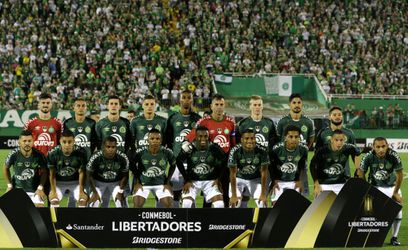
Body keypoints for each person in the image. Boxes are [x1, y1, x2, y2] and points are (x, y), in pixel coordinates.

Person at [186, 94, 236, 207]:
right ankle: (206, 221)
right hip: (208, 164)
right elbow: (189, 139)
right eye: (216, 104)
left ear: (224, 106)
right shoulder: (203, 122)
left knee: (225, 193)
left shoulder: (231, 123)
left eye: (221, 104)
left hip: (225, 164)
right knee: (208, 197)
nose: (219, 107)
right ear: (211, 106)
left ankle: (224, 222)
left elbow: (233, 145)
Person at [357, 137, 403, 246]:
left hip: (392, 187)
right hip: (375, 187)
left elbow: (400, 175)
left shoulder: (394, 155)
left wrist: (396, 192)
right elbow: (361, 172)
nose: (381, 149)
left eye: (383, 146)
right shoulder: (368, 156)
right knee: (368, 212)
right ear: (373, 147)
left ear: (387, 146)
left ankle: (394, 238)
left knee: (398, 211)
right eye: (378, 147)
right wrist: (366, 189)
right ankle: (369, 237)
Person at [166, 90, 201, 207]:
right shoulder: (172, 118)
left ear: (192, 100)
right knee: (175, 193)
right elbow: (168, 141)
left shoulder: (197, 119)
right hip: (177, 161)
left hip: (193, 162)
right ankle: (178, 217)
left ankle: (192, 218)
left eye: (189, 97)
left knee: (191, 192)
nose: (186, 100)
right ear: (180, 100)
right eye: (184, 97)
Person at [176, 126, 226, 208]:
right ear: (196, 136)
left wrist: (218, 178)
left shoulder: (214, 148)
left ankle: (215, 220)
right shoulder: (189, 148)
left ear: (208, 136)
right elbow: (178, 161)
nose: (203, 139)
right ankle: (190, 220)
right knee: (186, 203)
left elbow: (223, 161)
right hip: (193, 181)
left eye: (205, 136)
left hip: (210, 181)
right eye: (200, 136)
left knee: (219, 204)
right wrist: (187, 179)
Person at [277, 93, 314, 197]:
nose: (297, 105)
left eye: (299, 102)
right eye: (294, 103)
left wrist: (303, 150)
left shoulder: (308, 122)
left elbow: (310, 140)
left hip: (301, 163)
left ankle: (302, 212)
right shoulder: (282, 122)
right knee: (282, 195)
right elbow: (278, 140)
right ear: (290, 104)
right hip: (284, 163)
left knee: (302, 193)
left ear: (302, 104)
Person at [130, 129, 176, 208]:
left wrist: (167, 182)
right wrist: (137, 182)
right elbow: (132, 165)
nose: (155, 141)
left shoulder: (167, 152)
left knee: (169, 205)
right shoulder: (140, 152)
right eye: (152, 139)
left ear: (161, 140)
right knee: (137, 206)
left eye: (157, 139)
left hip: (161, 184)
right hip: (143, 184)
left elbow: (173, 165)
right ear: (147, 140)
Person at [3, 130, 47, 207]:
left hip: (35, 190)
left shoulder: (39, 155)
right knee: (13, 210)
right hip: (18, 190)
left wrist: (40, 188)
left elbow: (45, 171)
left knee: (40, 208)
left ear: (33, 141)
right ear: (19, 142)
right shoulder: (13, 154)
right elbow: (5, 168)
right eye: (24, 141)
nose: (27, 143)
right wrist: (9, 186)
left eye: (29, 141)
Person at [311, 130, 361, 197]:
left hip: (341, 184)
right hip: (324, 185)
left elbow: (356, 152)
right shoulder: (322, 151)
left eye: (341, 140)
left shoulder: (348, 148)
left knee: (343, 206)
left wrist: (357, 169)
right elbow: (312, 166)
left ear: (344, 140)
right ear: (331, 140)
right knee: (322, 207)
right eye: (336, 140)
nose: (339, 143)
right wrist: (316, 185)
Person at [228, 128, 269, 208]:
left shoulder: (262, 150)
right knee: (234, 204)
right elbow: (233, 174)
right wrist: (234, 195)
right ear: (242, 140)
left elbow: (264, 173)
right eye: (247, 138)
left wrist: (263, 194)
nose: (250, 141)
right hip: (238, 179)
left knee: (262, 205)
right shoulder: (234, 151)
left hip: (255, 179)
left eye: (252, 138)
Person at [47, 130, 88, 207]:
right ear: (60, 141)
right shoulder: (52, 153)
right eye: (64, 142)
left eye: (70, 142)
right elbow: (51, 175)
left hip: (75, 182)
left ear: (74, 141)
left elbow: (82, 173)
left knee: (82, 200)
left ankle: (82, 219)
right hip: (59, 183)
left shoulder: (81, 152)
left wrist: (81, 191)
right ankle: (54, 219)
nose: (67, 144)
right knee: (54, 201)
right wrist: (53, 191)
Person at [270, 125, 308, 205]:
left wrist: (298, 180)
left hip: (294, 181)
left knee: (296, 205)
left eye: (296, 137)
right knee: (276, 204)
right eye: (290, 136)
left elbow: (301, 165)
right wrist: (274, 181)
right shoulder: (276, 149)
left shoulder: (303, 149)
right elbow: (271, 166)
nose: (293, 139)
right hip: (278, 180)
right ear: (285, 137)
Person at [87, 136, 129, 208]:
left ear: (116, 147)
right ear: (103, 147)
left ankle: (121, 219)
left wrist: (120, 192)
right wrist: (95, 192)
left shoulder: (123, 157)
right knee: (93, 203)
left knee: (120, 204)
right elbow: (89, 176)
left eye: (113, 147)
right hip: (98, 183)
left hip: (116, 182)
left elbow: (125, 176)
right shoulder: (95, 157)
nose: (111, 149)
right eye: (108, 147)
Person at [315, 106, 357, 176]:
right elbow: (317, 153)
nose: (337, 117)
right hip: (326, 176)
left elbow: (354, 154)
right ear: (329, 117)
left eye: (339, 115)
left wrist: (358, 170)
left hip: (344, 176)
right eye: (334, 115)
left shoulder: (349, 133)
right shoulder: (323, 133)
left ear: (342, 116)